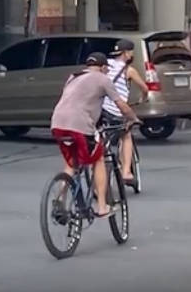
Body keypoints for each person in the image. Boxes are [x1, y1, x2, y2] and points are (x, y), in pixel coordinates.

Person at [51, 52, 140, 218]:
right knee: (98, 158)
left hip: (57, 123)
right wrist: (134, 119)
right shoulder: (102, 79)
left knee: (71, 163)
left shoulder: (73, 77)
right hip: (79, 124)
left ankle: (59, 197)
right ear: (104, 67)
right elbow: (120, 104)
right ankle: (101, 207)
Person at [101, 39, 149, 185]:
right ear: (126, 53)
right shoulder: (129, 70)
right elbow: (144, 88)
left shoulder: (106, 66)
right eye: (131, 52)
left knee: (102, 138)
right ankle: (126, 172)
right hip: (116, 109)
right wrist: (143, 98)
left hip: (100, 108)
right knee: (126, 134)